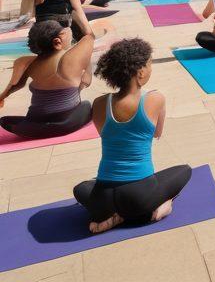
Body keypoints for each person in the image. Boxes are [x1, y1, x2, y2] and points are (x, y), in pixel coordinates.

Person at [72, 39, 192, 233]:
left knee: (81, 188)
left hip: (103, 196)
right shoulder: (155, 98)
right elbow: (157, 133)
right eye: (149, 64)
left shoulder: (100, 103)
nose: (150, 69)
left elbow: (105, 133)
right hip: (140, 195)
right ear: (141, 73)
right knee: (184, 170)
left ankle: (111, 216)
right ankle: (160, 208)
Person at [0, 20, 95, 139]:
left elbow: (14, 85)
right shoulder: (69, 59)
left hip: (35, 120)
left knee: (5, 120)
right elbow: (90, 36)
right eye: (63, 31)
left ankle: (37, 128)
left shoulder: (26, 62)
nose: (67, 30)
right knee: (87, 105)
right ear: (57, 42)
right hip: (65, 121)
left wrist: (1, 97)